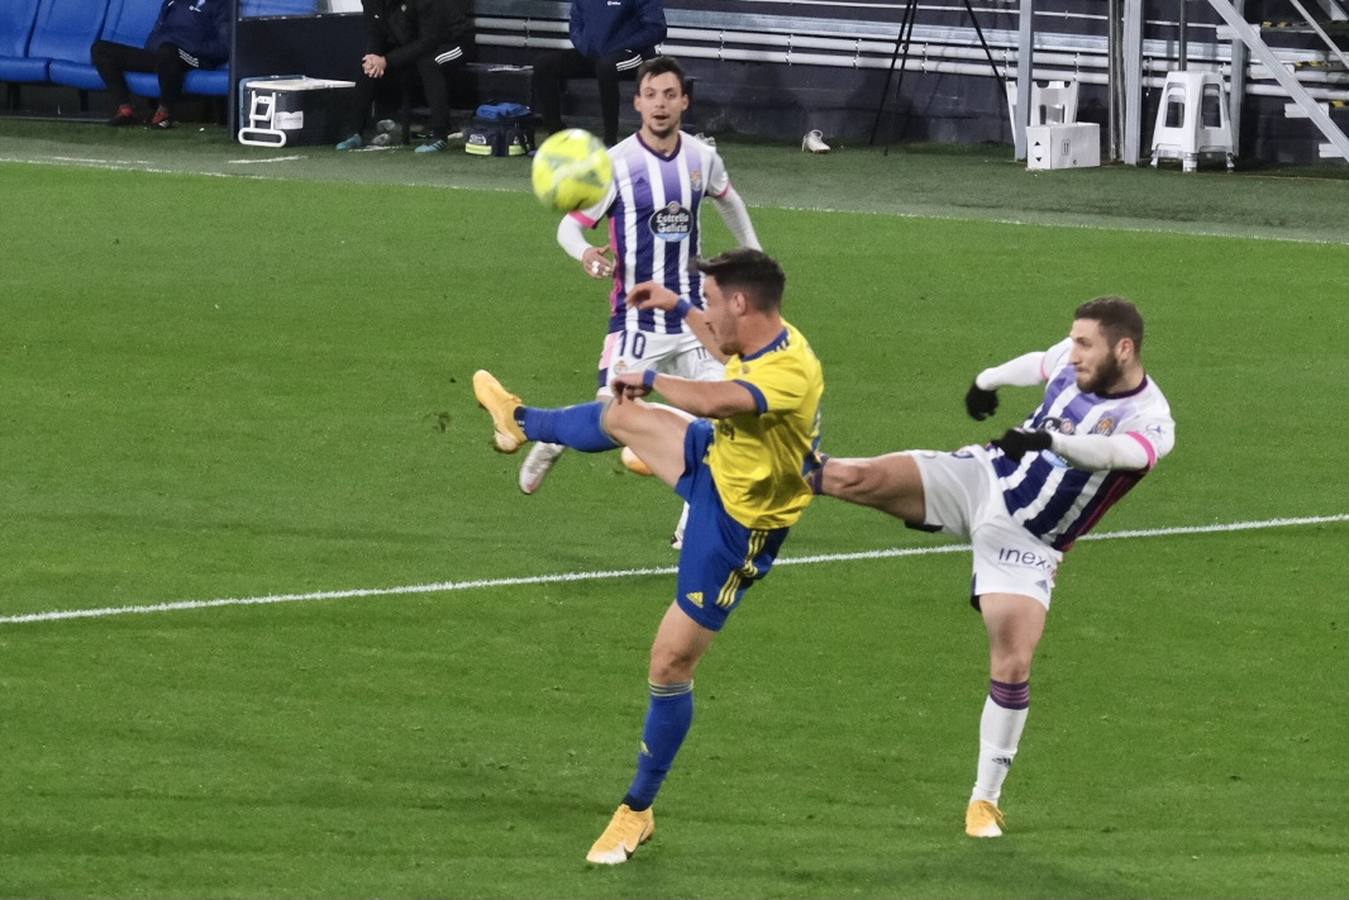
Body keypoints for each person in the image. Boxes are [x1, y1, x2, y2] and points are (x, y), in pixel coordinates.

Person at [472, 248, 824, 864]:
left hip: (737, 529)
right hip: (718, 461)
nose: (710, 313)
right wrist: (680, 305)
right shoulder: (764, 339)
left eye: (714, 301)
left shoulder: (793, 369)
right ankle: (519, 421)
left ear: (741, 302)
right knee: (622, 417)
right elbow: (723, 356)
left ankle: (636, 811)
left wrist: (655, 377)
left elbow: (720, 400)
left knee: (669, 664)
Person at [816, 296, 1175, 838]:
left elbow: (1118, 455)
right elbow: (1039, 362)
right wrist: (986, 381)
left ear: (1124, 349)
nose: (1072, 353)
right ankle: (713, 459)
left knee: (1012, 660)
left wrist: (1048, 439)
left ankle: (984, 801)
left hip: (1030, 540)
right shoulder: (1072, 359)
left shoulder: (1152, 419)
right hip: (983, 477)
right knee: (849, 477)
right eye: (1073, 340)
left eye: (1085, 344)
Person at [519, 56, 762, 549]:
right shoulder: (615, 165)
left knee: (729, 419)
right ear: (637, 103)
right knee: (612, 417)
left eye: (670, 95)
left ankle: (692, 523)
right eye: (651, 95)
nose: (660, 105)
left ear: (684, 102)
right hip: (636, 319)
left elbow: (728, 198)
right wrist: (587, 253)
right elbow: (569, 226)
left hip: (695, 317)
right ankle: (554, 437)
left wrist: (753, 254)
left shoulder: (702, 157)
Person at [335, 0, 473, 153]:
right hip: (414, 43)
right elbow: (376, 31)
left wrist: (387, 61)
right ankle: (355, 132)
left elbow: (429, 40)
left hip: (453, 41)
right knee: (368, 66)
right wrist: (373, 57)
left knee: (430, 64)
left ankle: (440, 135)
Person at [532, 0, 666, 146]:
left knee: (606, 67)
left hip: (633, 54)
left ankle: (610, 141)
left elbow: (656, 29)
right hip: (595, 54)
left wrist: (620, 47)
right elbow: (576, 25)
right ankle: (556, 135)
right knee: (544, 64)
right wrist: (587, 49)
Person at [91, 0, 230, 130]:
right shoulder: (172, 2)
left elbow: (223, 48)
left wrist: (190, 46)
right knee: (101, 49)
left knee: (168, 50)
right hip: (162, 55)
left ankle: (164, 113)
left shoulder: (221, 4)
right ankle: (126, 111)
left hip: (195, 59)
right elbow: (155, 34)